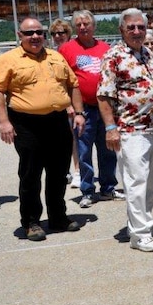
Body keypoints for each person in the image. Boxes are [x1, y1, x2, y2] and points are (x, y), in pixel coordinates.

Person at [0, 17, 85, 242]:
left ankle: (58, 217)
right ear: (19, 35)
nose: (35, 37)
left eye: (39, 32)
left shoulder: (56, 57)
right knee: (31, 174)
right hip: (26, 123)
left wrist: (79, 113)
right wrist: (4, 121)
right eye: (29, 33)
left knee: (58, 173)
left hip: (58, 121)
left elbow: (73, 85)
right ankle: (31, 222)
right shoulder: (7, 60)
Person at [97, 8, 153, 253]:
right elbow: (104, 95)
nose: (136, 31)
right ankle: (140, 234)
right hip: (129, 129)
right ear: (121, 30)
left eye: (140, 27)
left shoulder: (146, 52)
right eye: (131, 28)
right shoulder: (113, 56)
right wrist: (111, 128)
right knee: (136, 183)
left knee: (150, 183)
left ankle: (139, 224)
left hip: (152, 128)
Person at [59, 10, 123, 208]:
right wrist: (69, 106)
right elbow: (61, 81)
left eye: (86, 23)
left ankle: (108, 187)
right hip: (82, 109)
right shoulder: (66, 49)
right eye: (78, 24)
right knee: (84, 151)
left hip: (104, 108)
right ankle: (87, 190)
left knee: (107, 150)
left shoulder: (105, 48)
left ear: (94, 26)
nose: (82, 27)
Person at [49, 17, 80, 187]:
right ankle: (64, 171)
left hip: (72, 101)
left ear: (69, 33)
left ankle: (78, 171)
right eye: (54, 33)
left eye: (62, 32)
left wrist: (70, 104)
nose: (58, 36)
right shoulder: (50, 54)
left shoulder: (72, 51)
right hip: (56, 102)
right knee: (59, 140)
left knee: (74, 137)